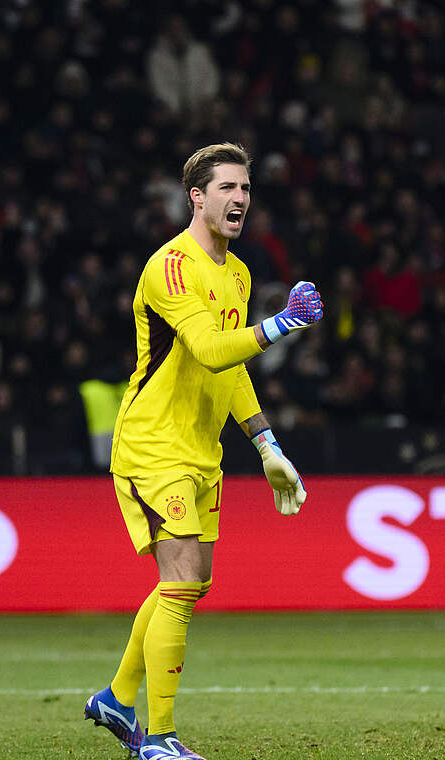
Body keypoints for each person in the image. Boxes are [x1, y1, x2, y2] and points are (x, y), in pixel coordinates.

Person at [83, 143, 324, 760]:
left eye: (245, 188)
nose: (239, 198)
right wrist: (282, 324)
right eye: (226, 188)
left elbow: (231, 369)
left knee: (190, 583)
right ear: (197, 196)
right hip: (152, 445)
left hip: (201, 449)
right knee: (182, 583)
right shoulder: (170, 268)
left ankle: (116, 698)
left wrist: (266, 444)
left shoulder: (238, 274)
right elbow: (210, 348)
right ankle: (157, 740)